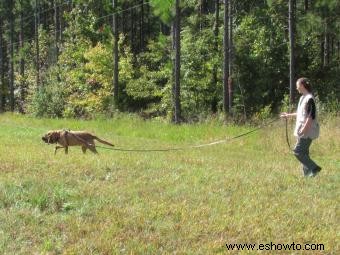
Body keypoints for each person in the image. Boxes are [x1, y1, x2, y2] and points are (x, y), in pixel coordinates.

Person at [280, 77, 321, 177]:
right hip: (303, 131)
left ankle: (314, 168)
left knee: (297, 152)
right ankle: (307, 175)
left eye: (297, 85)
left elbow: (310, 117)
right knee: (304, 153)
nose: (296, 88)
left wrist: (303, 130)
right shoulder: (303, 97)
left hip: (307, 131)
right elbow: (301, 113)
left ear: (302, 85)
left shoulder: (309, 99)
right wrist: (288, 115)